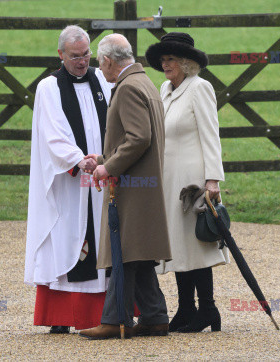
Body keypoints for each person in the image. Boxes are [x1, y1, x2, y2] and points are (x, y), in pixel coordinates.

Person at [79, 34, 172, 340]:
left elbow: (138, 138)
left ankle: (115, 320)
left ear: (108, 60)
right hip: (144, 183)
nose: (99, 68)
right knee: (138, 253)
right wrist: (104, 158)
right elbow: (136, 138)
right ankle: (155, 317)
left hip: (132, 186)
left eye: (99, 62)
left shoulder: (129, 87)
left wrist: (109, 167)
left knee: (123, 252)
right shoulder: (144, 82)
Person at [24, 25, 113, 334]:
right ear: (60, 54)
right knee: (67, 240)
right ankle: (62, 316)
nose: (82, 61)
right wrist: (78, 160)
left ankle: (106, 314)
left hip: (101, 178)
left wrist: (105, 162)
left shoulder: (102, 80)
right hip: (69, 182)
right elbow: (52, 134)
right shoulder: (49, 87)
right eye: (75, 56)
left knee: (102, 239)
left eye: (86, 54)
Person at [145, 32, 229, 333]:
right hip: (170, 180)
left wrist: (212, 180)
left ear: (185, 62)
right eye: (163, 59)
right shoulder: (165, 89)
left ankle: (208, 308)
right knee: (178, 245)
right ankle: (185, 308)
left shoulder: (200, 88)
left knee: (197, 243)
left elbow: (211, 135)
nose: (165, 64)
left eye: (171, 59)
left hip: (193, 180)